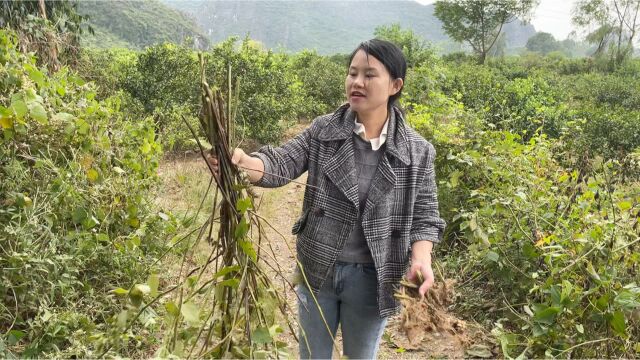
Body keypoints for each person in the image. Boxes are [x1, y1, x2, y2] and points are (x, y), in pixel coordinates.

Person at [207, 39, 445, 359]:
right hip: (318, 269)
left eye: (369, 75)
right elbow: (280, 165)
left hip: (374, 277)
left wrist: (421, 260)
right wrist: (240, 163)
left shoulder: (417, 151)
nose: (357, 82)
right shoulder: (323, 131)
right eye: (352, 73)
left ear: (395, 85)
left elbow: (425, 215)